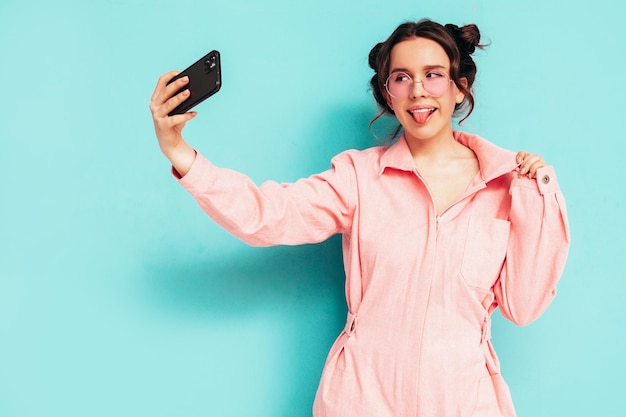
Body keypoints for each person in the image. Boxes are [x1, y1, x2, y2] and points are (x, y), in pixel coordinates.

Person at [149, 18, 570, 417]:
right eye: (401, 78)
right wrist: (179, 153)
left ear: (460, 88)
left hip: (464, 400)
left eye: (434, 74)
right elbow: (269, 215)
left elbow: (523, 305)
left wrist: (538, 194)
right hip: (363, 397)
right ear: (389, 95)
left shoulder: (507, 185)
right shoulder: (359, 177)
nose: (418, 91)